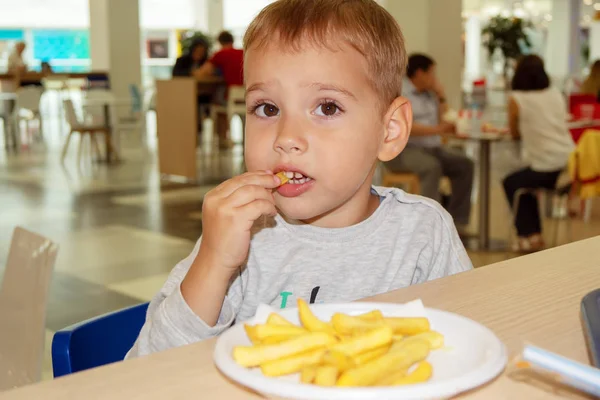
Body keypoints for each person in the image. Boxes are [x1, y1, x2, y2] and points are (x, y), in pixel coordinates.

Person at [127, 0, 472, 357]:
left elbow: (469, 349)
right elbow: (142, 370)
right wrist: (213, 262)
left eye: (327, 107)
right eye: (268, 108)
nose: (286, 137)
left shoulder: (423, 235)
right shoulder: (241, 235)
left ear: (389, 131)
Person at [384, 54, 474, 231]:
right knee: (432, 167)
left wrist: (440, 96)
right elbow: (405, 126)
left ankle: (457, 222)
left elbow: (443, 118)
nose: (434, 78)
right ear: (419, 73)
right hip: (404, 150)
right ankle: (429, 226)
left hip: (432, 147)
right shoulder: (399, 92)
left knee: (465, 164)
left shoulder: (429, 94)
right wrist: (439, 130)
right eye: (432, 74)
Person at [503, 55, 575, 252]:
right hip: (570, 163)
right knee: (525, 180)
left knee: (512, 182)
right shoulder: (555, 94)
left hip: (546, 166)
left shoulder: (516, 99)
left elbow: (514, 133)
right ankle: (535, 235)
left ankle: (530, 235)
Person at [194, 31, 244, 148]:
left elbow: (202, 72)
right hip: (246, 98)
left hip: (230, 98)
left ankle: (222, 138)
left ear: (220, 42)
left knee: (217, 103)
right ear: (232, 41)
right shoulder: (243, 52)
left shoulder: (221, 54)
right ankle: (228, 139)